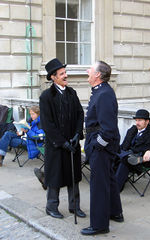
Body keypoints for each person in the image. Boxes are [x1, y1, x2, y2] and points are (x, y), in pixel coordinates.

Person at [39, 58, 86, 219]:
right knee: (55, 176)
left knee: (74, 176)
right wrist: (61, 142)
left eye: (65, 73)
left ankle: (75, 206)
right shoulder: (46, 96)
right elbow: (47, 124)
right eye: (62, 73)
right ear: (53, 77)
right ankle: (51, 206)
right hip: (56, 146)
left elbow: (80, 114)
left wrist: (76, 135)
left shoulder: (72, 93)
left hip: (72, 143)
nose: (66, 76)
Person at [81, 61, 123, 236]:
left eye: (91, 68)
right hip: (97, 141)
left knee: (98, 185)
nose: (87, 70)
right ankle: (115, 212)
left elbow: (108, 128)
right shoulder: (100, 91)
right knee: (109, 178)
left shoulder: (104, 93)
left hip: (101, 144)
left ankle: (99, 225)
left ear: (98, 75)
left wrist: (98, 145)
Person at [115, 109, 150, 192]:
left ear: (147, 121)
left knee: (125, 160)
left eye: (140, 120)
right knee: (111, 155)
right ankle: (108, 183)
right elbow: (123, 146)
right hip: (128, 154)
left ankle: (115, 189)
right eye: (136, 120)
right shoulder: (132, 130)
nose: (137, 123)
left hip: (143, 159)